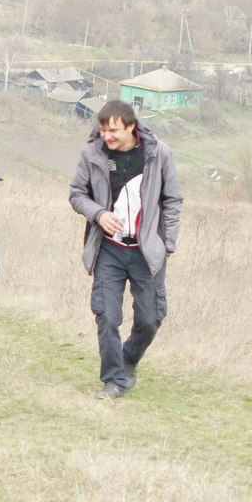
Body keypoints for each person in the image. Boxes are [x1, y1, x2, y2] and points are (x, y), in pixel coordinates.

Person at [68, 100, 183, 400]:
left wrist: (168, 244)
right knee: (107, 315)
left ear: (131, 127)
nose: (108, 136)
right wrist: (98, 214)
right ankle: (113, 380)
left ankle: (128, 359)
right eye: (104, 129)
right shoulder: (92, 154)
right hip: (109, 249)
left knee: (150, 318)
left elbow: (172, 200)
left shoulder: (158, 154)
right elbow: (77, 194)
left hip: (147, 251)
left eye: (114, 130)